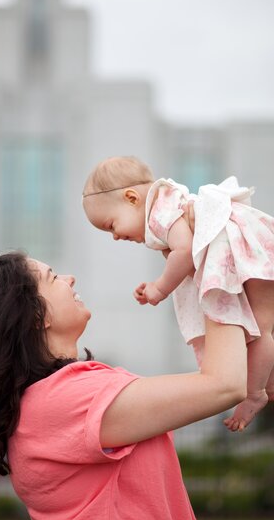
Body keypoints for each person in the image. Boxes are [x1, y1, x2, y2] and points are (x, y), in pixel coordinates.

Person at [0, 249, 247, 520]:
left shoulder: (52, 401)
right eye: (53, 277)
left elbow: (225, 380)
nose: (69, 278)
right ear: (38, 316)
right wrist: (216, 264)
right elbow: (224, 385)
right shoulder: (65, 401)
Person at [82, 155, 274, 432]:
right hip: (252, 243)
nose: (114, 236)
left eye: (111, 225)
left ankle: (256, 392)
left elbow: (184, 252)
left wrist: (159, 288)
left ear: (132, 198)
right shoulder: (168, 201)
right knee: (262, 327)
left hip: (244, 245)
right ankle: (266, 381)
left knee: (260, 329)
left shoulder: (159, 212)